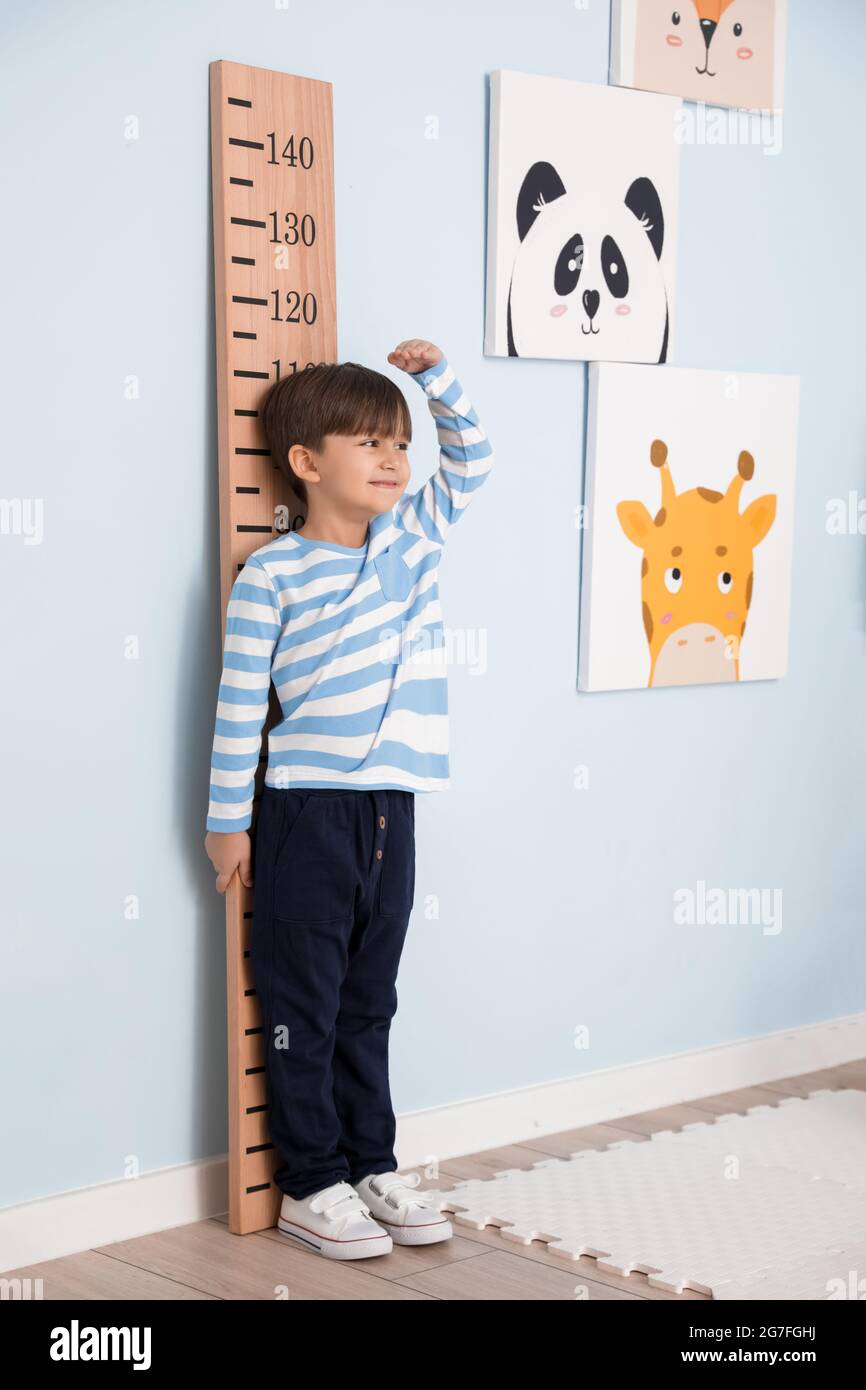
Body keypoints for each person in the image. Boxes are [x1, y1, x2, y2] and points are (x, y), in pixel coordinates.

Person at [204, 338, 494, 1259]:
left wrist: (434, 382)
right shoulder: (273, 575)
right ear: (305, 463)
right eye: (368, 443)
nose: (392, 461)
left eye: (399, 445)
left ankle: (373, 1160)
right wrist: (225, 824)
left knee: (372, 999)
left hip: (391, 811)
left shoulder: (413, 544)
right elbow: (239, 704)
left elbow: (476, 458)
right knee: (306, 1004)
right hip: (304, 814)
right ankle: (312, 1180)